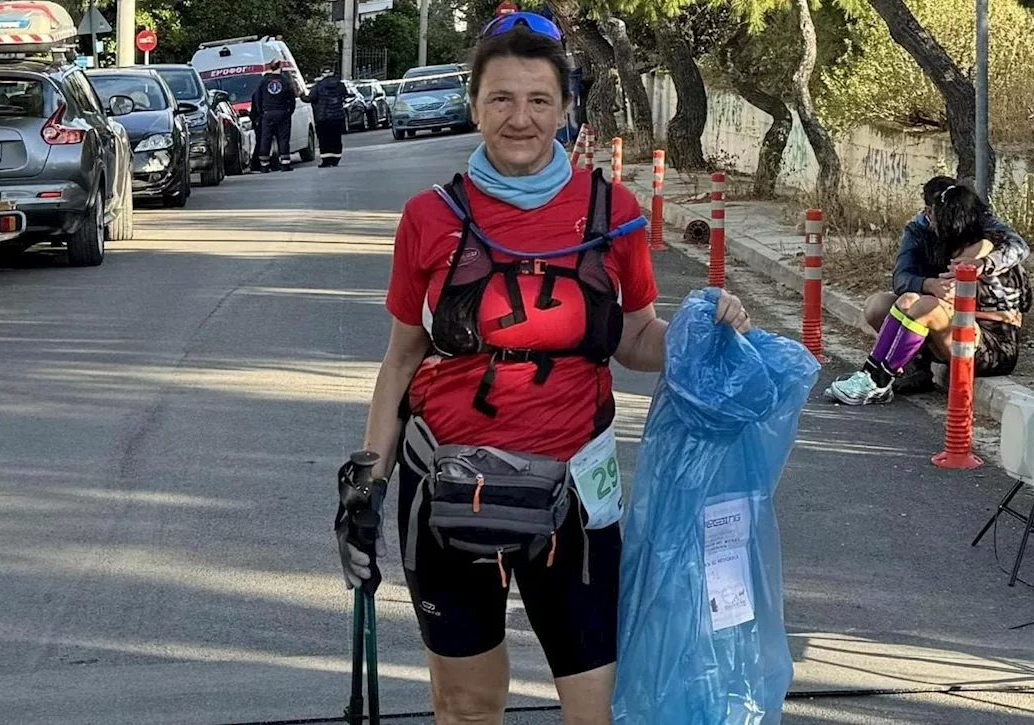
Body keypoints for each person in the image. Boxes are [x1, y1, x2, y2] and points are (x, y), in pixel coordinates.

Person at [338, 12, 751, 724]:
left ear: (565, 108)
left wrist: (700, 330)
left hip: (577, 501)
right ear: (474, 106)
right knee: (466, 705)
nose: (519, 118)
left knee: (596, 710)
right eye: (500, 98)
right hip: (446, 494)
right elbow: (402, 355)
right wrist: (367, 480)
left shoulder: (612, 212)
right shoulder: (428, 218)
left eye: (538, 100)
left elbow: (636, 337)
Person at [827, 181, 1031, 405]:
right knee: (907, 300)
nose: (929, 221)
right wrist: (928, 284)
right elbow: (902, 279)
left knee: (926, 306)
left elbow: (955, 293)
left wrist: (976, 273)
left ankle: (880, 380)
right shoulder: (925, 231)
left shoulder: (983, 247)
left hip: (994, 344)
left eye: (935, 216)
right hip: (964, 330)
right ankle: (871, 374)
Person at [251, 59, 300, 172]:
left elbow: (257, 98)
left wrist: (261, 112)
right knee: (283, 138)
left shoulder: (264, 82)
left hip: (268, 114)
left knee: (266, 138)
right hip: (282, 113)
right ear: (280, 67)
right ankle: (285, 164)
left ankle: (264, 165)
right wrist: (289, 112)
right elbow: (291, 99)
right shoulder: (285, 81)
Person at [302, 69, 351, 168]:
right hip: (337, 117)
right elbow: (345, 96)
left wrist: (301, 96)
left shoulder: (318, 86)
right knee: (336, 139)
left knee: (324, 140)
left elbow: (310, 98)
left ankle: (326, 160)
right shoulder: (340, 85)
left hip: (322, 118)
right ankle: (336, 159)